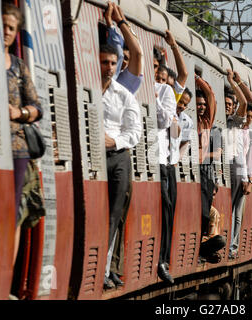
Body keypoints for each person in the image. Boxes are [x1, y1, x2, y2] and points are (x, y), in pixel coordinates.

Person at [3, 3, 43, 268]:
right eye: (2, 26)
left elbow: (37, 108)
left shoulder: (18, 67)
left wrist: (19, 113)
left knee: (13, 215)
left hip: (17, 148)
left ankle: (6, 273)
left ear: (16, 32)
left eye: (10, 28)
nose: (5, 32)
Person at [100, 44, 142, 290]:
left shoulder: (124, 95)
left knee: (114, 216)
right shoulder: (89, 89)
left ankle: (104, 271)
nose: (109, 68)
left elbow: (134, 132)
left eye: (112, 63)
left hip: (118, 158)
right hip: (92, 157)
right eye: (105, 62)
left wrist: (114, 140)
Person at [155, 60, 180, 284]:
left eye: (162, 78)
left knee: (166, 209)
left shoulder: (167, 93)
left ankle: (162, 259)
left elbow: (166, 122)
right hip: (154, 160)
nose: (159, 81)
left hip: (165, 162)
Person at [224, 70, 251, 259]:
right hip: (224, 167)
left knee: (235, 210)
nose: (227, 107)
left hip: (237, 169)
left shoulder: (235, 122)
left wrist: (233, 82)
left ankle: (232, 246)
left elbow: (246, 103)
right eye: (225, 104)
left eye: (229, 105)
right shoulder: (221, 122)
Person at [196, 75, 217, 241]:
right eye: (198, 104)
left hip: (205, 170)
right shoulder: (194, 122)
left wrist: (197, 79)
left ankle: (204, 239)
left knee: (205, 207)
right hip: (195, 169)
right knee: (201, 209)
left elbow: (210, 96)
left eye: (203, 105)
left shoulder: (206, 122)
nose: (202, 107)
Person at [104, 2, 143, 95]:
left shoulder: (129, 80)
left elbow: (137, 53)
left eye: (126, 59)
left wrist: (118, 22)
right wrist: (122, 21)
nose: (123, 61)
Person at [199, 185, 227, 263]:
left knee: (221, 240)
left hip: (201, 243)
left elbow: (212, 235)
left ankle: (204, 254)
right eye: (210, 194)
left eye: (214, 195)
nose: (212, 197)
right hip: (196, 242)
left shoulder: (213, 212)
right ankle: (208, 255)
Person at [176, 88, 194, 160]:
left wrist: (177, 159)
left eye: (185, 105)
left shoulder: (187, 122)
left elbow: (185, 142)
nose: (182, 106)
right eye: (180, 102)